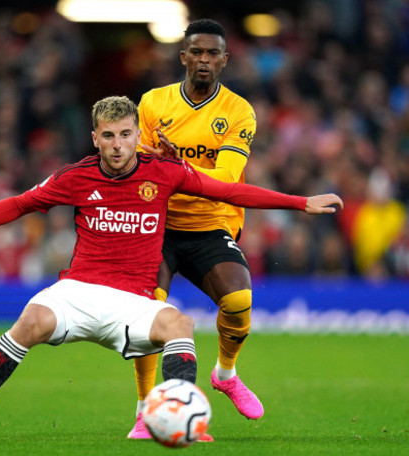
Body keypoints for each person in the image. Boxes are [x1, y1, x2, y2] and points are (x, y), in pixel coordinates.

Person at [0, 95, 342, 441]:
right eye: (108, 136)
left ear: (137, 136)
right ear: (95, 138)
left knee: (180, 325)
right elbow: (21, 203)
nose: (116, 145)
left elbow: (230, 190)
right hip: (77, 291)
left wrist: (300, 202)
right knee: (29, 320)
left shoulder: (164, 172)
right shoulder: (75, 177)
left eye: (125, 134)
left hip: (133, 302)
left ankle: (181, 418)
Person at [128, 18, 272, 440]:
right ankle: (143, 409)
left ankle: (225, 374)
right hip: (160, 224)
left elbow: (227, 178)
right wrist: (161, 166)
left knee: (240, 299)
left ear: (225, 60)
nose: (204, 60)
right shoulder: (153, 103)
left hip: (211, 222)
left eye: (213, 53)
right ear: (183, 57)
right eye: (197, 52)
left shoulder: (238, 111)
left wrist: (176, 165)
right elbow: (137, 169)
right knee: (148, 312)